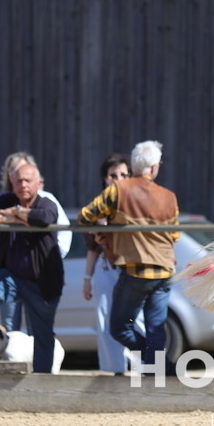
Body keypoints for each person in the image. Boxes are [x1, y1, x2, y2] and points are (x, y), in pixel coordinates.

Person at [78, 141, 180, 372]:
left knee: (119, 328)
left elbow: (85, 216)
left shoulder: (118, 191)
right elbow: (174, 235)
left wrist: (107, 232)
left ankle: (161, 366)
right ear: (154, 168)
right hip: (165, 270)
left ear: (134, 166)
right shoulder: (169, 196)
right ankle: (162, 371)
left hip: (136, 270)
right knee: (155, 330)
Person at [0, 161, 65, 372]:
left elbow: (45, 217)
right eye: (18, 181)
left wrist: (17, 213)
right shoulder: (4, 200)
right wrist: (9, 216)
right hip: (11, 278)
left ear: (39, 183)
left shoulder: (47, 202)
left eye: (28, 181)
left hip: (42, 282)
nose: (23, 185)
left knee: (43, 335)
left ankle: (43, 379)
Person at [0, 151, 72, 338]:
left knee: (39, 328)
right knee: (10, 325)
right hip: (9, 271)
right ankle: (3, 354)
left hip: (39, 274)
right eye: (16, 173)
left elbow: (63, 230)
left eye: (26, 176)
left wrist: (52, 257)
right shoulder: (0, 201)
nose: (22, 181)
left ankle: (38, 356)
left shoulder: (46, 200)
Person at [82, 152, 141, 374]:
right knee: (105, 319)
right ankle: (114, 370)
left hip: (133, 268)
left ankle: (145, 369)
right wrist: (87, 278)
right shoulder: (98, 205)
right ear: (105, 178)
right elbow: (92, 248)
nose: (118, 179)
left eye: (123, 175)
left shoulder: (137, 202)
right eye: (113, 175)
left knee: (137, 319)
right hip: (107, 267)